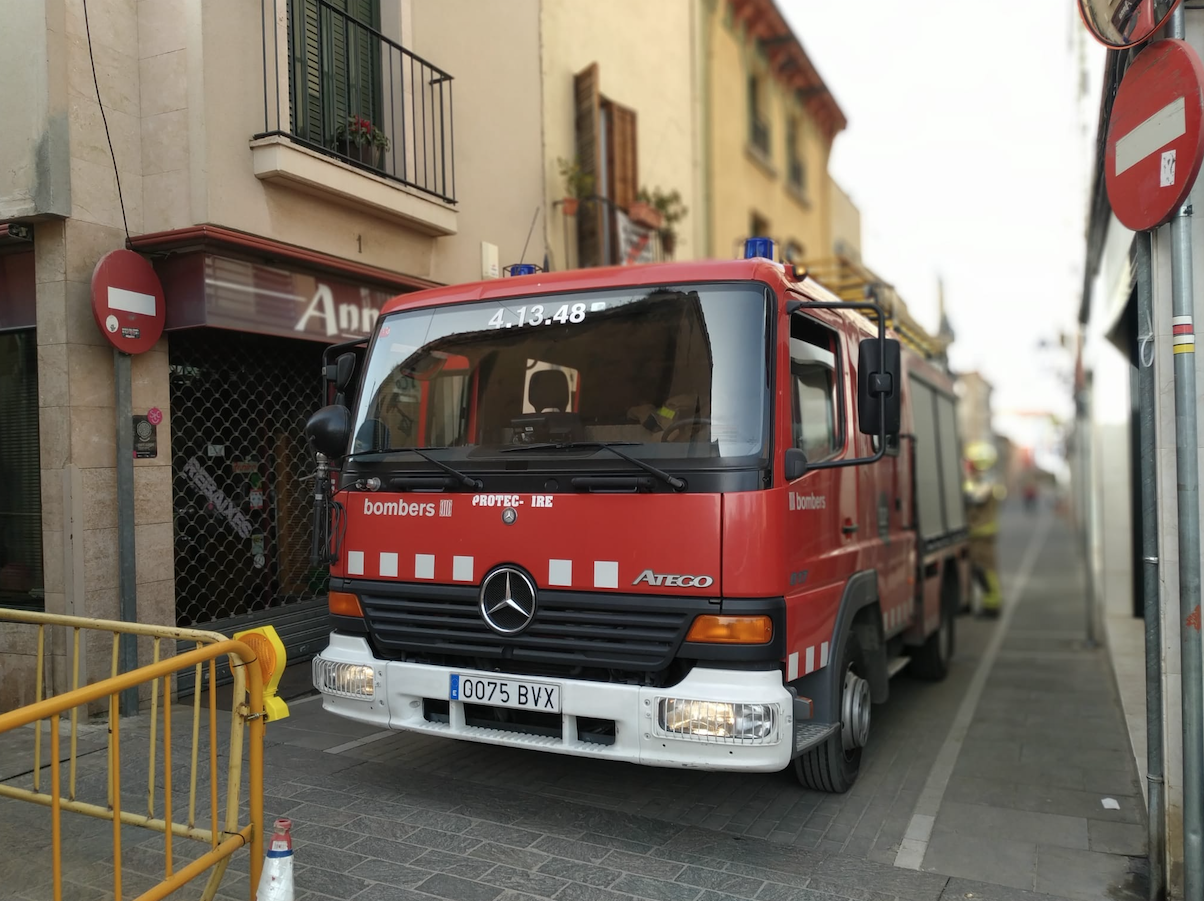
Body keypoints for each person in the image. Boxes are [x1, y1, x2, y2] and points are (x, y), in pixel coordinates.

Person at [964, 440, 1004, 618]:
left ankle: (992, 606)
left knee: (985, 571)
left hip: (982, 534)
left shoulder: (988, 482)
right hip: (977, 534)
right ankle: (989, 603)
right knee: (979, 571)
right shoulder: (980, 481)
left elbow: (976, 498)